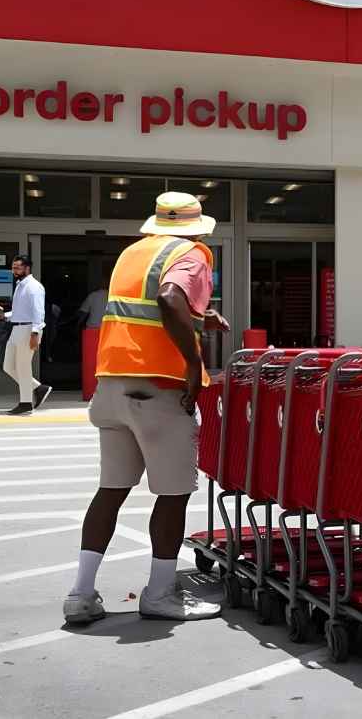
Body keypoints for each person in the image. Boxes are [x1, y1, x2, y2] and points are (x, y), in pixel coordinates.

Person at [64, 192, 229, 625]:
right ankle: (160, 593)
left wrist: (201, 317)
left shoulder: (133, 253)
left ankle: (81, 594)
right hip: (158, 389)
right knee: (173, 494)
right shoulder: (193, 254)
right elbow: (169, 298)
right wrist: (192, 364)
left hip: (111, 386)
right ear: (196, 227)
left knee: (111, 490)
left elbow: (144, 308)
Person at [0, 254, 53, 415]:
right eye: (13, 268)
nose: (14, 271)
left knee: (23, 367)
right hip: (17, 329)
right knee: (8, 366)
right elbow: (19, 312)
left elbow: (38, 312)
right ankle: (39, 388)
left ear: (27, 268)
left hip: (28, 329)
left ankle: (25, 403)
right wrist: (1, 315)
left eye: (18, 267)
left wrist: (35, 333)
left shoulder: (34, 286)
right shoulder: (20, 286)